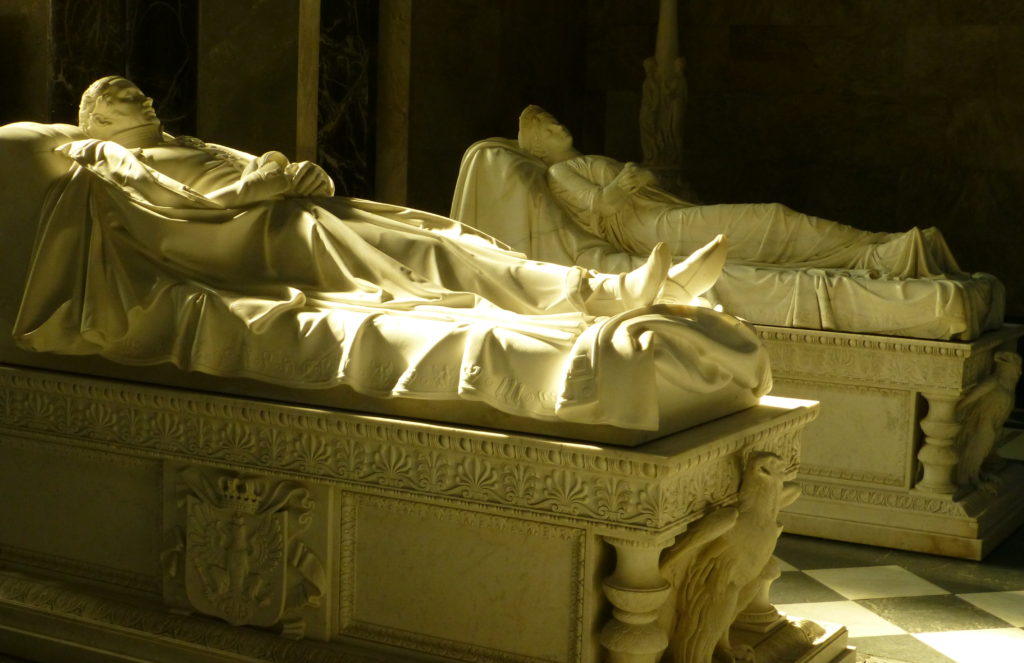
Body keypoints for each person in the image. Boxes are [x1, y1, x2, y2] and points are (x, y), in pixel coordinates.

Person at [12, 77, 770, 431]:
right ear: (96, 117)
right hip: (265, 247)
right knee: (435, 260)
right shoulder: (108, 161)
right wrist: (261, 188)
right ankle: (605, 295)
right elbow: (187, 216)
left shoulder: (179, 142)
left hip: (296, 217)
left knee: (443, 236)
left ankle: (603, 288)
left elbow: (241, 175)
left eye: (139, 94)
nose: (139, 99)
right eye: (121, 97)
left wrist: (290, 174)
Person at [517, 105, 961, 279]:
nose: (558, 124)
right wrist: (622, 183)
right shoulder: (559, 175)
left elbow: (638, 185)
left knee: (773, 220)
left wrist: (640, 179)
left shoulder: (580, 161)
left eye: (553, 118)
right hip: (651, 230)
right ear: (538, 146)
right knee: (771, 220)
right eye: (546, 126)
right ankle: (876, 256)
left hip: (660, 215)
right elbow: (601, 205)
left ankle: (877, 249)